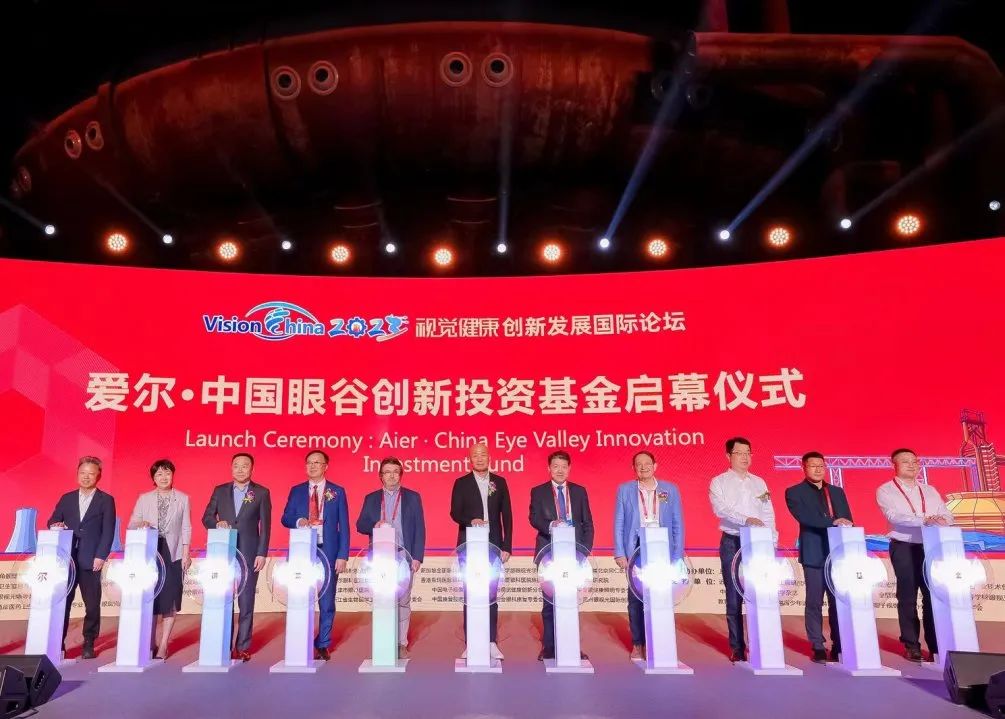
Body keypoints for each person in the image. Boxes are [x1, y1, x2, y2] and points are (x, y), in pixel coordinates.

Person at [876, 448, 954, 662]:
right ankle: (911, 645)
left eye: (915, 461)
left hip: (932, 547)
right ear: (894, 465)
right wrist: (924, 519)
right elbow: (894, 516)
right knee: (908, 596)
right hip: (904, 546)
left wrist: (941, 520)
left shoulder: (930, 490)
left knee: (932, 596)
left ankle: (936, 645)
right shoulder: (886, 490)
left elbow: (947, 514)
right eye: (906, 461)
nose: (912, 465)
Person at [709, 436, 777, 663]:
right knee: (733, 594)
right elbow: (721, 509)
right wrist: (746, 519)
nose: (745, 457)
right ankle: (737, 647)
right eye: (740, 453)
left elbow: (767, 512)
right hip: (732, 541)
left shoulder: (760, 483)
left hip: (758, 544)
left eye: (748, 453)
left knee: (760, 592)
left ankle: (761, 645)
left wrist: (772, 540)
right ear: (729, 456)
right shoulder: (718, 482)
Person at [613, 450, 684, 661]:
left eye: (647, 463)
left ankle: (660, 642)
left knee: (661, 596)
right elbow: (619, 522)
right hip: (636, 548)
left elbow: (678, 523)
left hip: (662, 549)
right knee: (636, 597)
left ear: (655, 466)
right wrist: (620, 552)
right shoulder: (625, 490)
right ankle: (638, 644)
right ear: (634, 468)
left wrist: (677, 555)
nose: (643, 467)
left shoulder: (670, 489)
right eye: (638, 464)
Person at [201, 452, 271, 662]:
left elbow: (265, 526)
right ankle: (223, 643)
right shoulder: (220, 490)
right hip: (223, 553)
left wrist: (261, 553)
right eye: (236, 466)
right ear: (231, 468)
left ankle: (243, 646)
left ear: (252, 469)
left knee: (246, 600)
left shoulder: (261, 492)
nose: (240, 469)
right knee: (223, 598)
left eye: (245, 466)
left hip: (249, 553)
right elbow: (206, 517)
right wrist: (217, 524)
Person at [784, 451, 853, 663]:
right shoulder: (794, 492)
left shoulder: (836, 492)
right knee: (814, 601)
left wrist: (844, 524)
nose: (818, 469)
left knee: (838, 602)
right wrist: (832, 522)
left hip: (838, 555)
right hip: (814, 553)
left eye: (821, 466)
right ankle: (817, 645)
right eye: (813, 466)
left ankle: (839, 644)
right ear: (804, 468)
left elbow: (847, 519)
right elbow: (806, 518)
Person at [280, 450, 349, 661]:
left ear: (325, 466)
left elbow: (344, 526)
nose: (312, 466)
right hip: (303, 550)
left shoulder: (337, 491)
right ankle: (301, 640)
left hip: (328, 549)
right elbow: (285, 518)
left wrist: (342, 555)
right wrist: (299, 521)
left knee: (327, 599)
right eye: (309, 462)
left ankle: (323, 644)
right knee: (301, 595)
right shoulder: (297, 491)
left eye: (317, 463)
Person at [356, 457, 425, 659]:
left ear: (400, 475)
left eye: (395, 472)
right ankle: (384, 641)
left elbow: (420, 528)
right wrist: (374, 525)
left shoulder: (413, 497)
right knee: (382, 600)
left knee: (403, 600)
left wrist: (417, 557)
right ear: (381, 476)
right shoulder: (371, 498)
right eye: (387, 472)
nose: (392, 476)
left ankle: (401, 643)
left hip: (404, 557)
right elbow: (360, 525)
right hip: (380, 560)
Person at [48, 456, 117, 659]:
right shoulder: (67, 498)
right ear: (78, 474)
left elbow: (108, 531)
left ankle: (89, 642)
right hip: (66, 561)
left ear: (98, 476)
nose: (86, 477)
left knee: (92, 605)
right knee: (63, 604)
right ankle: (58, 643)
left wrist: (101, 556)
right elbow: (52, 520)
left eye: (91, 474)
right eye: (82, 473)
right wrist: (55, 525)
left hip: (91, 559)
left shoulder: (106, 500)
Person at [450, 442, 513, 660]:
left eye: (483, 455)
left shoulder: (499, 482)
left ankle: (491, 641)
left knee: (491, 592)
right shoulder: (461, 483)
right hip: (468, 545)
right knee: (470, 592)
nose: (479, 458)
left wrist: (507, 545)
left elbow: (507, 515)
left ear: (489, 457)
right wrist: (471, 520)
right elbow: (454, 512)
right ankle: (471, 643)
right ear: (470, 459)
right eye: (475, 455)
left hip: (493, 545)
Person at [529, 450, 594, 661]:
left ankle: (572, 646)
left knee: (570, 601)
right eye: (555, 466)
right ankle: (549, 647)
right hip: (548, 553)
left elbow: (587, 523)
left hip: (574, 555)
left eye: (564, 467)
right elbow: (534, 518)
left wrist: (584, 552)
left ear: (569, 469)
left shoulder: (579, 491)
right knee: (549, 602)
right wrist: (551, 525)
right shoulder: (538, 491)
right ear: (549, 468)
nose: (560, 470)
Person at [127, 459, 193, 659]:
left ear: (173, 475)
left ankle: (163, 645)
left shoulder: (183, 498)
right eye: (159, 474)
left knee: (170, 598)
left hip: (173, 553)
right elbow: (132, 524)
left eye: (167, 473)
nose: (164, 477)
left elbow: (186, 527)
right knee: (151, 597)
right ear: (153, 478)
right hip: (150, 552)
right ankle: (150, 642)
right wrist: (142, 524)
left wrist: (186, 553)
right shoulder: (144, 498)